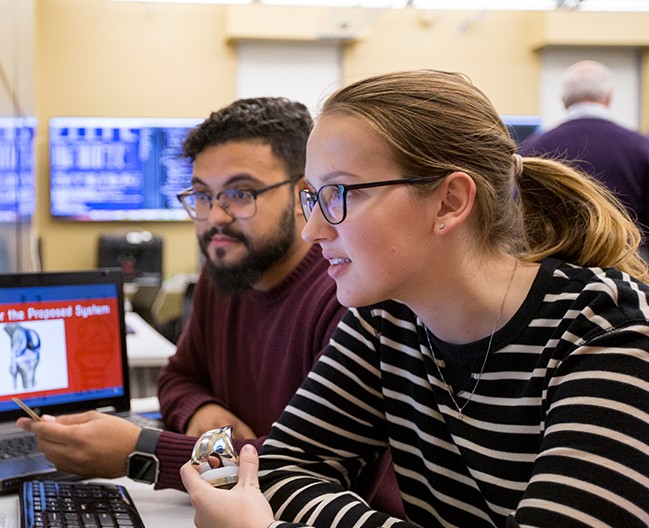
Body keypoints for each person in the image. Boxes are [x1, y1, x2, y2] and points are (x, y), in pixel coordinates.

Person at [181, 70, 649, 527]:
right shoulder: (385, 317)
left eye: (340, 193)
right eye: (313, 197)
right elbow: (282, 468)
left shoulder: (609, 329)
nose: (313, 229)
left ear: (448, 202)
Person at [17, 97, 402, 514]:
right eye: (202, 195)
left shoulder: (347, 296)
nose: (215, 216)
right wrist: (208, 421)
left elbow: (303, 465)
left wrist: (143, 451)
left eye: (239, 194)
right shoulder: (223, 276)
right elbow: (178, 377)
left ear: (301, 195)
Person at [520, 60, 649, 258]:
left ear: (564, 100)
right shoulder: (641, 147)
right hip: (627, 263)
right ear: (609, 97)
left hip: (555, 265)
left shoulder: (534, 148)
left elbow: (522, 216)